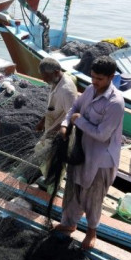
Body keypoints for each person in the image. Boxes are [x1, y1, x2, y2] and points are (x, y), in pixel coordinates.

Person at [56, 56, 125, 250]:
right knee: (72, 189)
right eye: (93, 77)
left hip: (101, 158)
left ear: (111, 77)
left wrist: (78, 121)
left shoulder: (115, 103)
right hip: (81, 151)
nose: (95, 82)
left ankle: (91, 232)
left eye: (100, 79)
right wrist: (64, 124)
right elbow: (74, 108)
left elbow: (102, 134)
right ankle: (69, 222)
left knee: (93, 197)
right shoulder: (89, 90)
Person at [33, 57, 79, 188]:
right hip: (51, 126)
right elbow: (51, 106)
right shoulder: (55, 82)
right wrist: (42, 121)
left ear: (56, 71)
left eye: (46, 76)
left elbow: (71, 116)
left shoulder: (67, 90)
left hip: (60, 132)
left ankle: (54, 185)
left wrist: (55, 131)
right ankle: (49, 179)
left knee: (56, 159)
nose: (43, 80)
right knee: (45, 156)